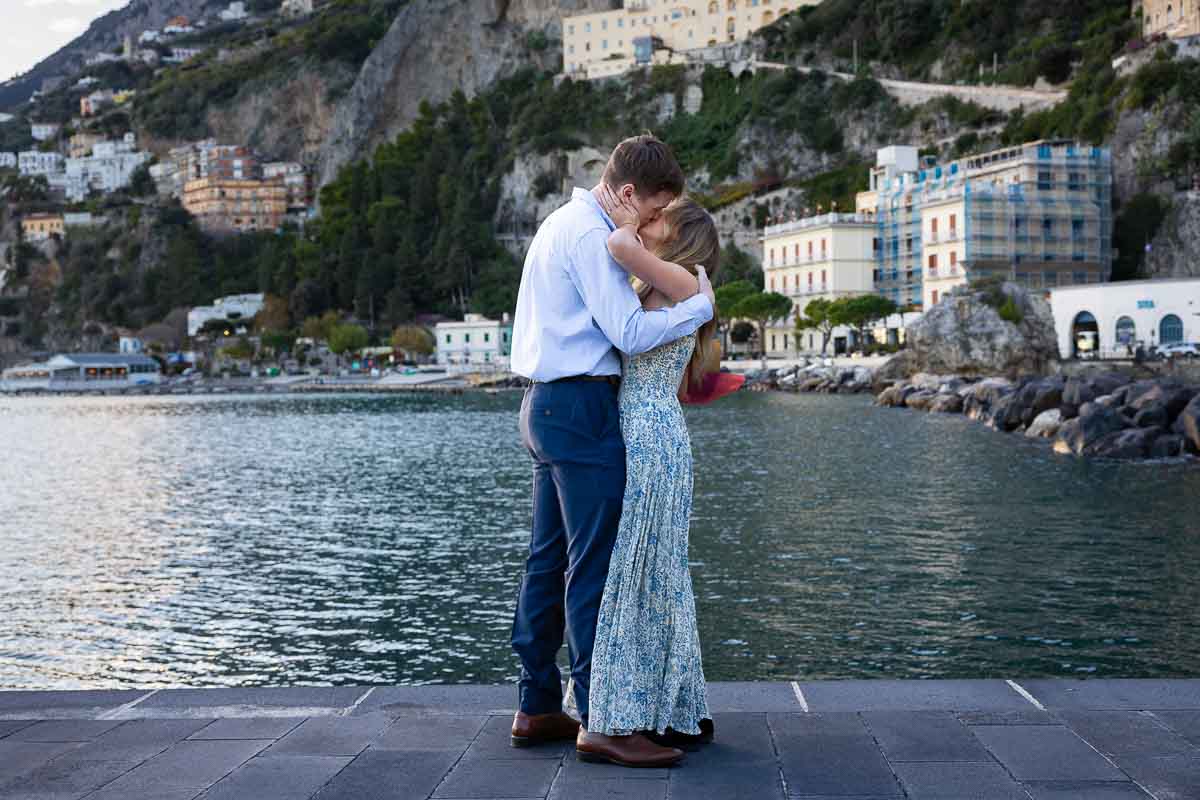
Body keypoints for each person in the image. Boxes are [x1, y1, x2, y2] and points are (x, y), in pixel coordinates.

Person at [508, 135, 715, 769]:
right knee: (593, 566)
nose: (652, 222)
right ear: (628, 193)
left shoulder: (559, 224)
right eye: (653, 209)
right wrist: (698, 310)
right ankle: (604, 721)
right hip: (580, 407)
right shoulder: (589, 235)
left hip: (543, 404)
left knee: (548, 560)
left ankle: (536, 705)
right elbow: (627, 331)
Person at [574, 195, 722, 767]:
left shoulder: (681, 280)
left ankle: (626, 713)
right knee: (651, 572)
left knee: (641, 571)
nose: (648, 221)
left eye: (660, 217)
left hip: (650, 434)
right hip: (648, 429)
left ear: (678, 235)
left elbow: (616, 244)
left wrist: (627, 222)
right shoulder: (671, 285)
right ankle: (665, 706)